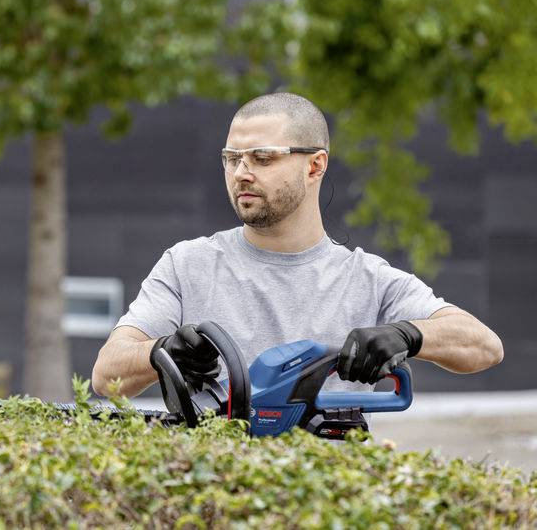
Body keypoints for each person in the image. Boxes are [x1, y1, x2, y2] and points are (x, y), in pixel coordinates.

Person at [91, 92, 503, 401]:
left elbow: (484, 346)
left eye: (262, 158)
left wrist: (409, 335)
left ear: (315, 166)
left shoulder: (367, 279)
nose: (241, 173)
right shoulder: (186, 265)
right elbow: (106, 376)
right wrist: (159, 352)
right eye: (232, 159)